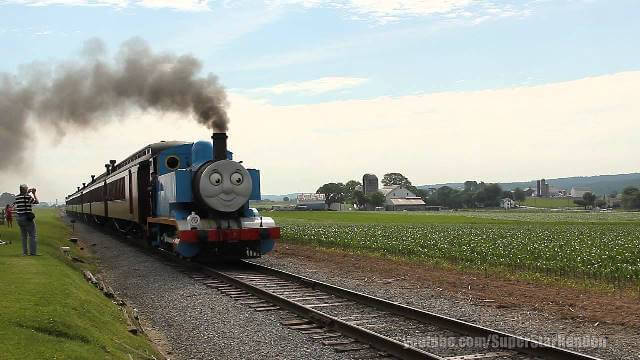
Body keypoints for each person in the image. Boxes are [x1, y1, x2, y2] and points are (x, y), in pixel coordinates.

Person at [13, 185, 39, 256]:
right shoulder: (28, 197)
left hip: (19, 218)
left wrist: (27, 192)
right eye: (27, 188)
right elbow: (36, 202)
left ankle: (24, 252)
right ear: (24, 190)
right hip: (27, 218)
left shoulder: (17, 197)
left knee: (23, 236)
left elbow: (23, 197)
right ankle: (33, 253)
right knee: (32, 235)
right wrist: (33, 193)